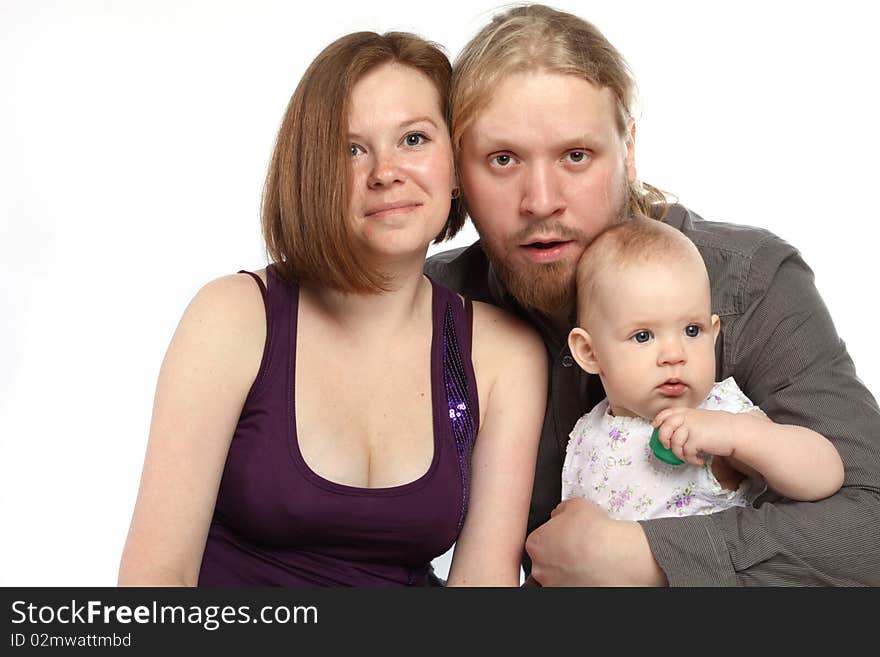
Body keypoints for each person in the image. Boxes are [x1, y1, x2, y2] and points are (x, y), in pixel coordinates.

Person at [425, 4, 880, 585]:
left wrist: (646, 557)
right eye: (503, 159)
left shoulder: (749, 282)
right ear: (459, 172)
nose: (540, 200)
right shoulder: (439, 306)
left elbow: (869, 524)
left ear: (629, 150)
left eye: (576, 155)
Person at [118, 31, 546, 587]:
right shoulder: (233, 318)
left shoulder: (502, 355)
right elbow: (154, 580)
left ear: (457, 163)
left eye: (414, 139)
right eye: (351, 149)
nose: (385, 171)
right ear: (312, 172)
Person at [563, 218, 843, 521]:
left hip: (693, 568)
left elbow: (824, 475)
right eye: (643, 336)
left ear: (713, 333)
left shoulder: (719, 415)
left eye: (692, 331)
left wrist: (737, 435)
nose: (674, 354)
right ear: (590, 352)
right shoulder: (587, 430)